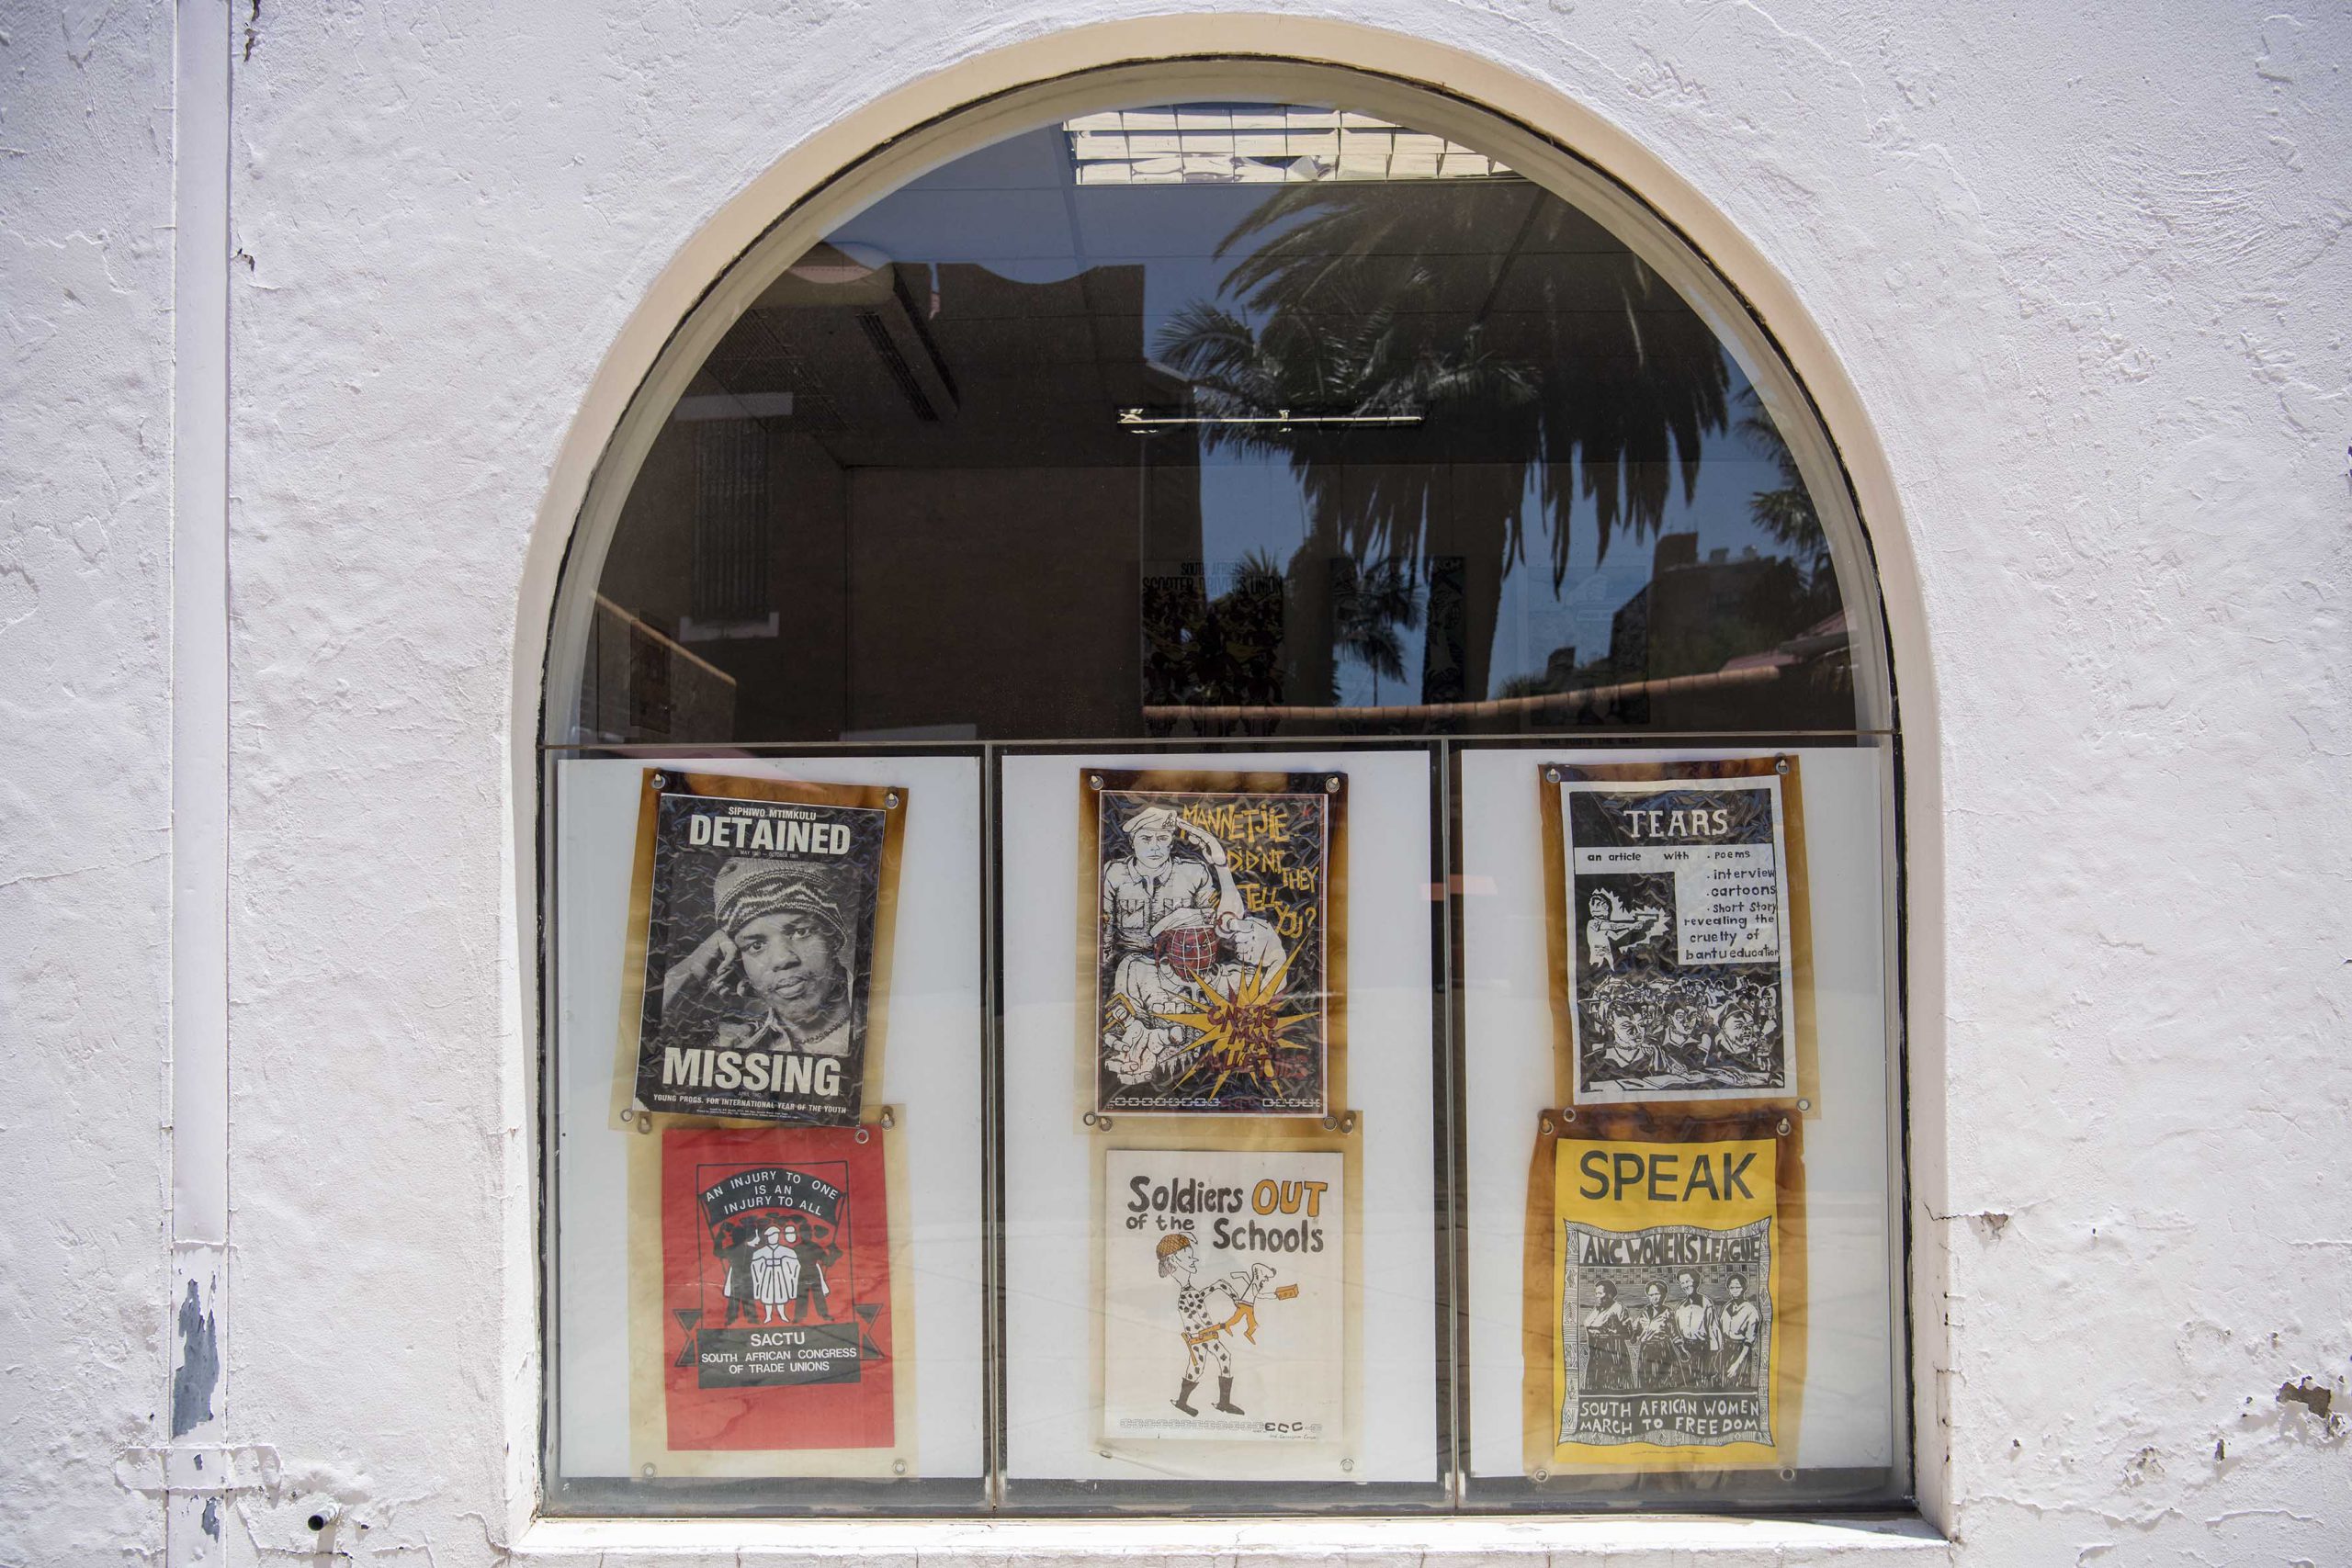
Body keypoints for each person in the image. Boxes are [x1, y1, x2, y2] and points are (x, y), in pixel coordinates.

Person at [662, 858, 856, 1056]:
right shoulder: (737, 1042)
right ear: (739, 961)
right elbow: (643, 1029)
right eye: (756, 945)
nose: (782, 959)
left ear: (832, 936)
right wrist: (703, 958)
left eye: (801, 932)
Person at [1156, 1232, 1272, 1417]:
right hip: (1200, 1338)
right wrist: (1219, 1326)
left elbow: (1218, 1285)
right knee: (1217, 1360)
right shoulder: (1185, 1297)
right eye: (1188, 1254)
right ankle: (1210, 1402)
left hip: (1205, 1336)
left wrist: (1234, 1299)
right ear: (1174, 1259)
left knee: (1199, 1368)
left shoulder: (1191, 1292)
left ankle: (1192, 1402)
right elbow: (1195, 1323)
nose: (1193, 1259)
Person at [1101, 806, 1243, 957]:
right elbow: (1104, 933)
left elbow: (1218, 923)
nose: (1155, 846)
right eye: (1146, 838)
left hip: (1180, 962)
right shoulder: (1114, 873)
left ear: (1171, 843)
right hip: (1129, 962)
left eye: (1162, 838)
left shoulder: (1194, 872)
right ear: (1132, 842)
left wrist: (1221, 865)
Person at [1585, 887, 1667, 975]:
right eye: (1601, 904)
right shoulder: (1593, 923)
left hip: (1608, 957)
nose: (1606, 907)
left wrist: (1630, 928)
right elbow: (1614, 926)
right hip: (1597, 959)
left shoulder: (1602, 926)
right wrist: (1632, 925)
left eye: (1605, 904)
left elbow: (1615, 936)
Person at [1580, 1280, 1632, 1391]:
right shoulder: (1596, 1310)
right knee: (1595, 1383)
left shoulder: (1618, 1308)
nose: (1597, 1296)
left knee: (1612, 1383)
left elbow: (1628, 1333)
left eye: (1600, 1293)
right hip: (1596, 1353)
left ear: (1610, 1295)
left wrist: (1609, 1332)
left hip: (1613, 1353)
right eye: (1596, 1294)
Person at [1668, 1271, 1716, 1387]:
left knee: (1702, 1382)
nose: (1685, 1285)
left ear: (1695, 1282)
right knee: (1686, 1381)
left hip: (1703, 1348)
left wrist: (1712, 1356)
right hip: (1686, 1348)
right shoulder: (1680, 1307)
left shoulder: (1706, 1304)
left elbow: (1713, 1330)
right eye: (1682, 1283)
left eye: (1688, 1281)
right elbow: (1677, 1330)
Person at [1715, 1272, 1762, 1383]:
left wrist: (1737, 1364)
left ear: (1744, 1288)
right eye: (1731, 1287)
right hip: (1726, 1350)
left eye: (1738, 1287)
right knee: (1723, 1383)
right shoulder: (1726, 1308)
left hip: (1741, 1351)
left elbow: (1748, 1342)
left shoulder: (1751, 1310)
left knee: (1738, 1382)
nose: (1734, 1290)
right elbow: (1720, 1330)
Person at [1631, 1279, 1673, 1389]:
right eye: (1651, 1295)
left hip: (1662, 1348)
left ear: (1664, 1295)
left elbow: (1675, 1333)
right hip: (1646, 1349)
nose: (1654, 1298)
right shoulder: (1645, 1311)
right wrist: (1634, 1336)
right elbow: (1639, 1329)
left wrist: (1682, 1350)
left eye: (1657, 1294)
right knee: (1645, 1378)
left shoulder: (1669, 1312)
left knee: (1662, 1380)